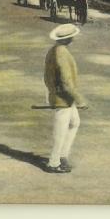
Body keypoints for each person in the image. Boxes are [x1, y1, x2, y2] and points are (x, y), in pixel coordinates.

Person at [44, 24, 87, 173]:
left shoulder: (54, 50)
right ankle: (53, 163)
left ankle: (62, 156)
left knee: (75, 122)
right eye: (72, 36)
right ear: (68, 39)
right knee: (60, 131)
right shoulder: (61, 53)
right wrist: (79, 99)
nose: (74, 38)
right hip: (62, 98)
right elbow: (66, 81)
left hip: (64, 97)